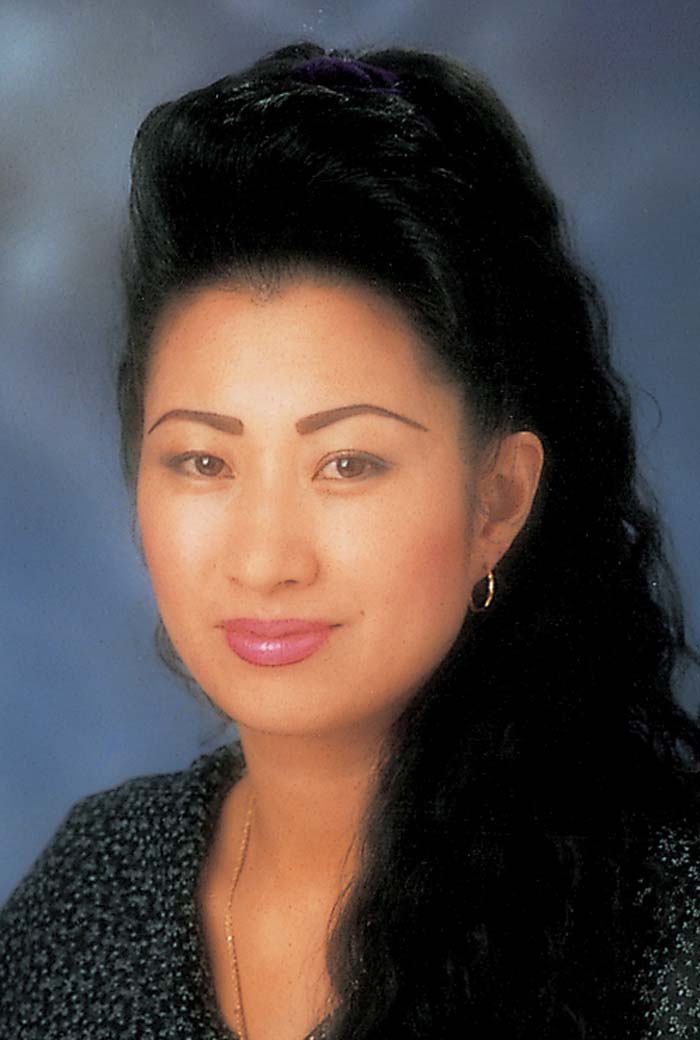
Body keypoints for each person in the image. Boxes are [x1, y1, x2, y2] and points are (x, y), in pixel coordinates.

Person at [1, 41, 699, 1040]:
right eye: (202, 460)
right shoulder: (95, 884)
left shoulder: (664, 926)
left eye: (347, 463)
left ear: (497, 502)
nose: (264, 559)